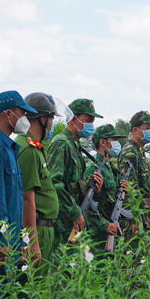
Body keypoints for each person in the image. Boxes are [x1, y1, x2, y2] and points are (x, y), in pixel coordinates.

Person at [0, 90, 35, 297]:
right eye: (22, 113)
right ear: (8, 114)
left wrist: (20, 241)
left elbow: (13, 202)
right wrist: (3, 243)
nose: (25, 119)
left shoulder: (7, 147)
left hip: (9, 244)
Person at [46, 98, 104, 248]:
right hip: (63, 222)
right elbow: (54, 183)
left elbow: (73, 183)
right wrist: (74, 212)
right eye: (88, 119)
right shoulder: (62, 143)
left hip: (74, 221)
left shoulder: (75, 145)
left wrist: (93, 186)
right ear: (73, 118)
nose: (91, 124)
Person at [15, 93, 62, 269]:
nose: (52, 124)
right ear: (43, 119)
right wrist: (33, 242)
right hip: (37, 230)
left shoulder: (34, 146)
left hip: (45, 228)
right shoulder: (27, 148)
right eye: (51, 118)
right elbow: (27, 198)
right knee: (33, 289)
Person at [83, 124, 130, 253]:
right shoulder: (93, 168)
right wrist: (104, 225)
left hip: (111, 228)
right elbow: (86, 204)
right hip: (98, 235)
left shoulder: (110, 168)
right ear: (103, 142)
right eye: (114, 140)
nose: (117, 144)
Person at [118, 111, 150, 249]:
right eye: (148, 128)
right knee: (133, 262)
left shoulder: (139, 151)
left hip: (144, 215)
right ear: (135, 130)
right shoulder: (130, 152)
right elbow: (129, 188)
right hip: (136, 219)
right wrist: (135, 219)